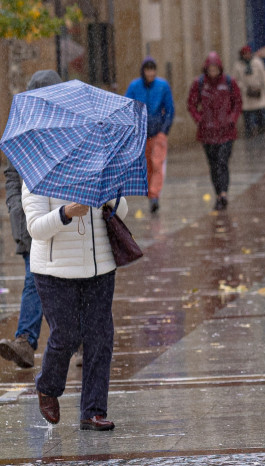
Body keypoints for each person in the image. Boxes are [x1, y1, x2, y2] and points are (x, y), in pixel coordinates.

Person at [22, 185, 129, 431]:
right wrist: (66, 212)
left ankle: (93, 411)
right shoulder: (40, 175)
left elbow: (122, 211)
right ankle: (47, 387)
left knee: (100, 337)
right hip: (54, 270)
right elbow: (36, 228)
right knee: (66, 335)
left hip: (99, 266)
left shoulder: (99, 170)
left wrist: (109, 194)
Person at [0, 70, 62, 370]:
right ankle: (25, 341)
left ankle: (71, 338)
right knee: (34, 278)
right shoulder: (20, 132)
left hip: (63, 219)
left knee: (61, 282)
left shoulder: (67, 129)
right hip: (29, 220)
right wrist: (16, 208)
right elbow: (12, 177)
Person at [187, 51, 243, 211]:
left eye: (215, 69)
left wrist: (232, 119)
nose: (213, 72)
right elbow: (191, 104)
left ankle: (223, 193)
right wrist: (200, 119)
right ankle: (218, 194)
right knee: (213, 165)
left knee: (222, 162)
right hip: (207, 133)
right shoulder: (199, 84)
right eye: (210, 69)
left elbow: (237, 102)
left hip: (226, 132)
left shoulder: (229, 82)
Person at [124, 57, 174, 214]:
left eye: (153, 70)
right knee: (147, 166)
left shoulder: (162, 86)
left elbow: (170, 109)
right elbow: (127, 106)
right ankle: (151, 193)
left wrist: (164, 130)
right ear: (143, 71)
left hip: (158, 132)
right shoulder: (134, 86)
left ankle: (154, 195)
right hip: (141, 135)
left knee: (158, 163)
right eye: (148, 70)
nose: (150, 73)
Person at [231, 45, 265, 138]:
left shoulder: (257, 62)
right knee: (248, 117)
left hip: (259, 93)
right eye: (245, 54)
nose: (247, 55)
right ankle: (249, 133)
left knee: (261, 115)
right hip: (246, 94)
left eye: (248, 53)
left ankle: (262, 132)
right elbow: (235, 80)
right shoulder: (237, 66)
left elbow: (264, 76)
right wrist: (243, 87)